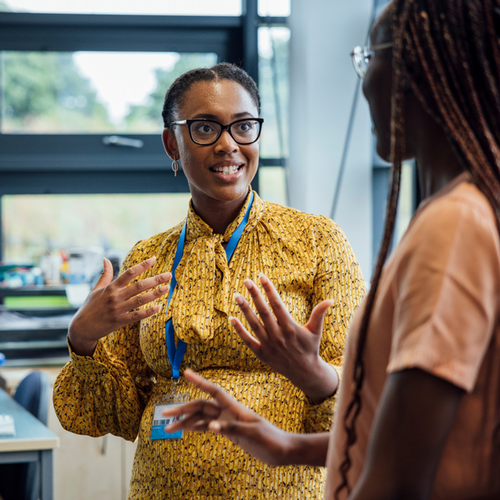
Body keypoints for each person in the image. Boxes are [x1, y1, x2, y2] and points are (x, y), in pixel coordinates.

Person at [163, 1, 500, 499]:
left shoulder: (454, 226)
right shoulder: (454, 212)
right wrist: (285, 447)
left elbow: (401, 481)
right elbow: (401, 437)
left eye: (368, 57)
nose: (363, 82)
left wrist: (313, 377)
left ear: (417, 72)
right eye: (206, 128)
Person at [52, 62, 366, 499]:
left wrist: (316, 374)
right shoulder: (148, 258)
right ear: (171, 144)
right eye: (204, 128)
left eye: (243, 127)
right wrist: (82, 339)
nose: (227, 145)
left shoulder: (316, 241)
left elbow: (364, 413)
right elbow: (116, 416)